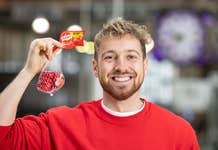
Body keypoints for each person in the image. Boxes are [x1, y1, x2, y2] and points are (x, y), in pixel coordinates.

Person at [0, 17, 200, 150]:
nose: (121, 67)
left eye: (131, 56)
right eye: (110, 57)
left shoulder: (178, 133)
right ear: (95, 68)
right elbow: (3, 139)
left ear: (145, 66)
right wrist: (28, 71)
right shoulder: (61, 125)